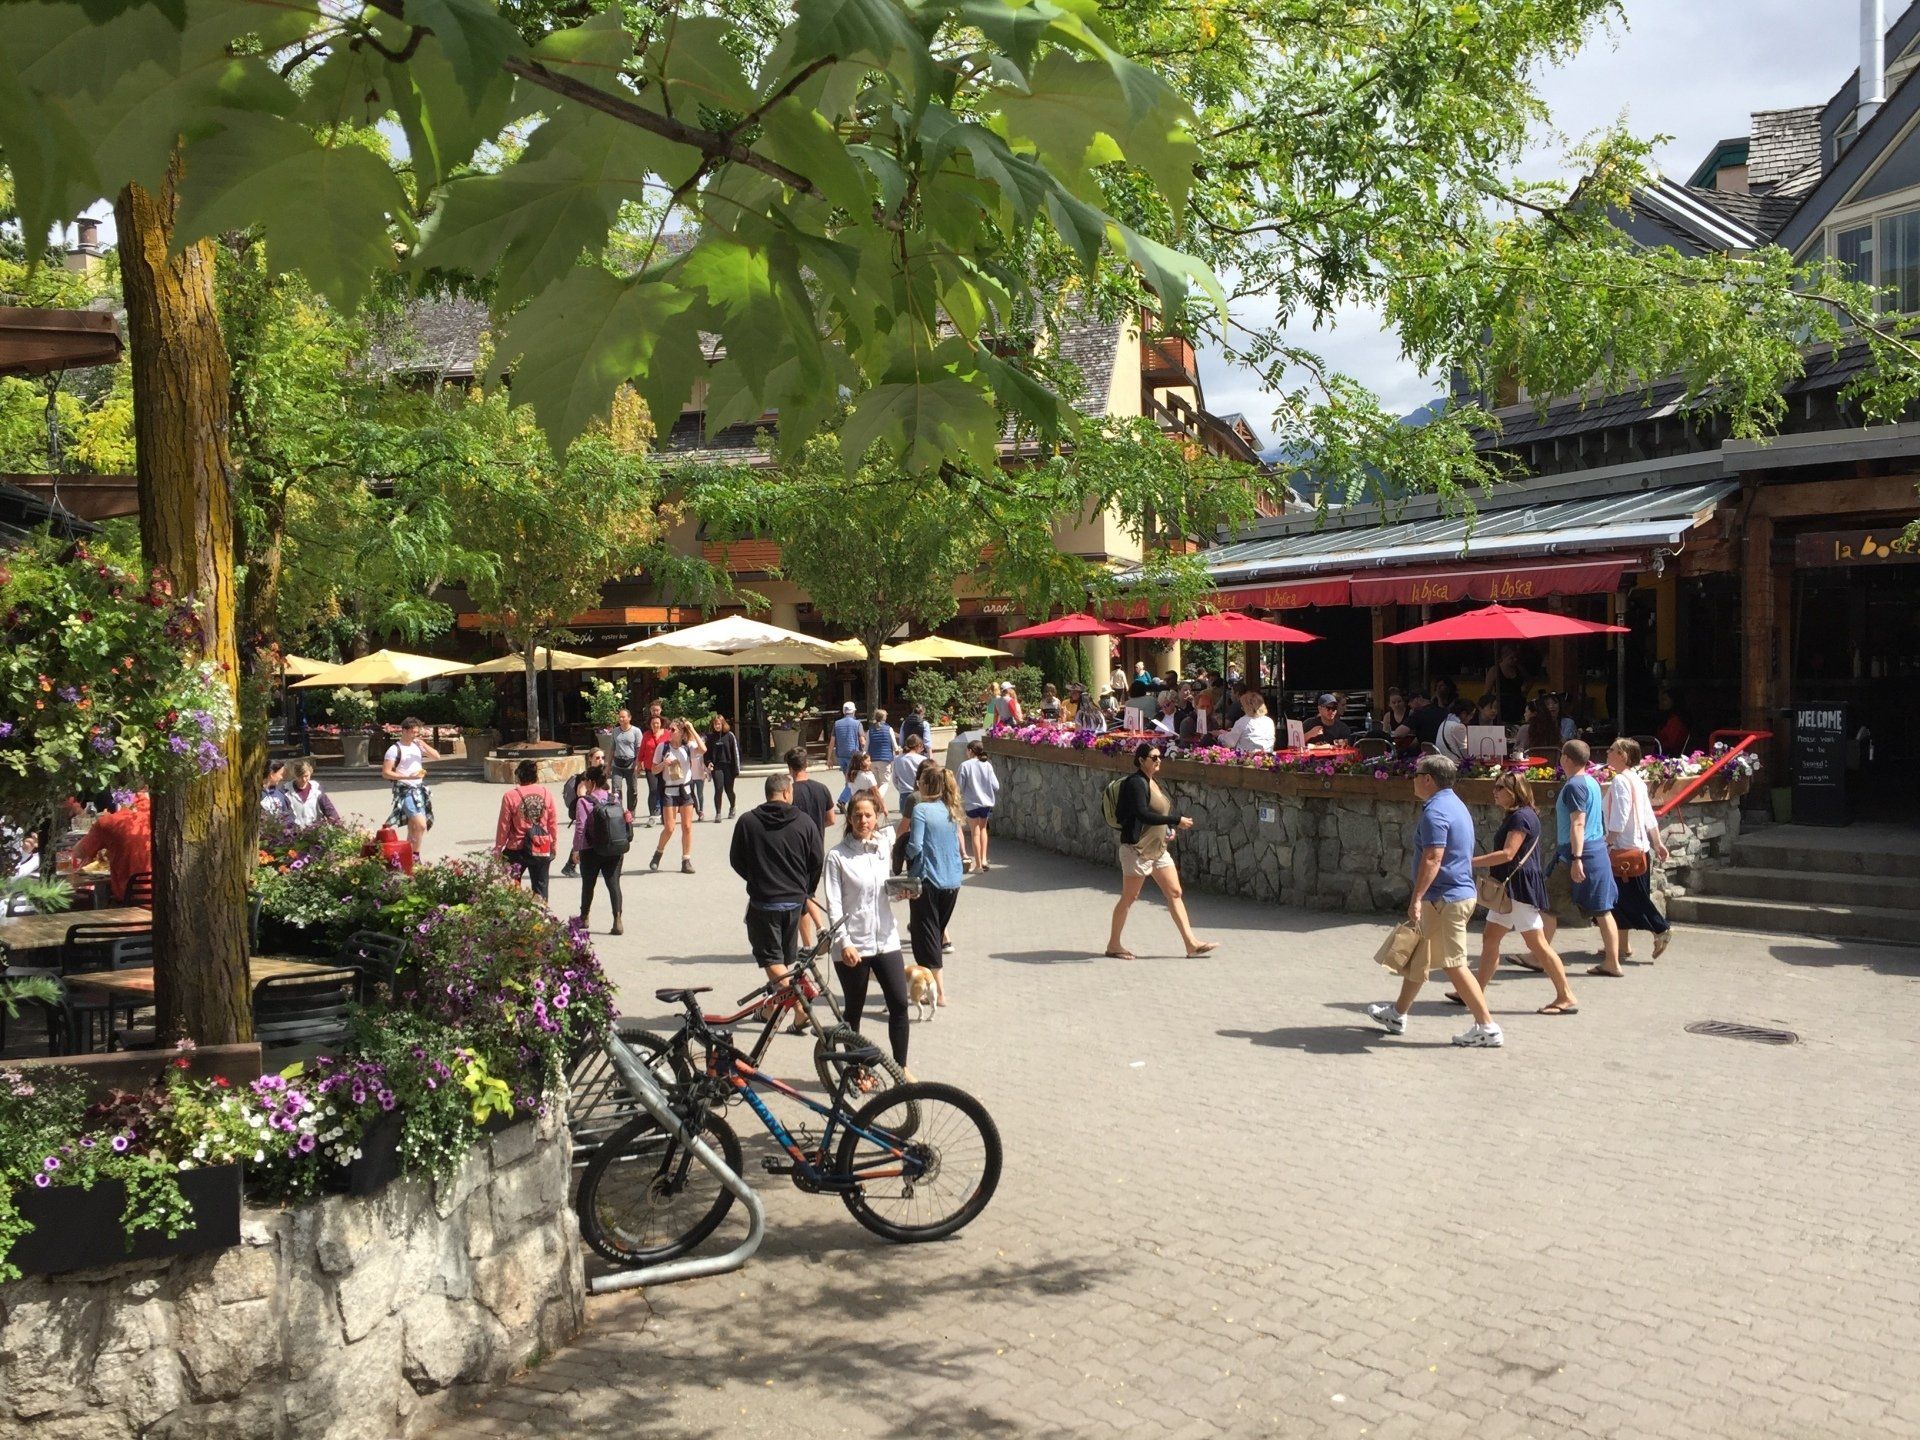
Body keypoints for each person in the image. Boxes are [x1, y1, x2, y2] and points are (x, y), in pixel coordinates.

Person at [1365, 754, 1504, 1047]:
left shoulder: (1435, 812)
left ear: (1428, 779)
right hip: (1453, 895)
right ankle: (1397, 1013)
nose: (1413, 779)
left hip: (1445, 898)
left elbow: (1433, 857)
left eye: (1416, 774)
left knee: (1453, 963)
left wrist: (1416, 897)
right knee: (1421, 956)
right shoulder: (1455, 804)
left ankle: (1487, 1027)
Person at [1458, 773, 1578, 1014]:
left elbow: (1508, 854)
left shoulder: (1521, 817)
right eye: (1495, 786)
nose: (1495, 791)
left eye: (1500, 787)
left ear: (1515, 791)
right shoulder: (1518, 815)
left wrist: (1469, 861)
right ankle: (1475, 992)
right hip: (1508, 889)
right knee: (1490, 938)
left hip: (1519, 888)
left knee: (1538, 944)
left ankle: (1566, 996)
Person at [1104, 742, 1217, 960]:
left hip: (1158, 849)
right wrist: (1176, 820)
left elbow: (1157, 815)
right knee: (1129, 897)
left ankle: (1191, 943)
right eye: (1153, 757)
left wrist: (1168, 828)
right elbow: (1142, 814)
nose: (1158, 761)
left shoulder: (1153, 782)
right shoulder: (1135, 783)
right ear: (1141, 760)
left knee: (1175, 892)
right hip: (1137, 849)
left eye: (1159, 757)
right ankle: (1114, 945)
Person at [824, 792, 912, 1069]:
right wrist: (844, 942)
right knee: (854, 1010)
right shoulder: (838, 856)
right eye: (858, 815)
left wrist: (903, 893)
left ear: (876, 817)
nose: (864, 820)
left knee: (899, 1003)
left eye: (869, 815)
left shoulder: (883, 847)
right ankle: (855, 1070)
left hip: (886, 939)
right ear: (849, 819)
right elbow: (834, 905)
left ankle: (901, 1069)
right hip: (854, 944)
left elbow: (886, 890)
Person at [730, 772, 825, 985]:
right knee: (781, 959)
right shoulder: (804, 822)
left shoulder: (748, 821)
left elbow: (736, 859)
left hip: (764, 901)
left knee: (771, 958)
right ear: (786, 792)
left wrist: (756, 878)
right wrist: (806, 889)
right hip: (794, 902)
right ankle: (773, 1007)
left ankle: (801, 1003)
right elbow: (817, 860)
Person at [1547, 739, 1623, 978]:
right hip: (1597, 850)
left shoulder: (1573, 786)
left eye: (1562, 756)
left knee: (1547, 904)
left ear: (1566, 759)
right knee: (1603, 910)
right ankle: (1612, 961)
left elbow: (1578, 823)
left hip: (1577, 853)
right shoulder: (1592, 781)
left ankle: (1538, 956)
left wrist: (1576, 858)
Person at [1605, 737, 1673, 960]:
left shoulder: (1621, 781)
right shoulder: (1636, 780)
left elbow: (1620, 817)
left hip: (1624, 850)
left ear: (1623, 756)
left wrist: (1608, 842)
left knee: (1633, 899)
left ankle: (1660, 928)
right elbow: (1648, 816)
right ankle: (1621, 946)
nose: (1608, 752)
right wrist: (1657, 843)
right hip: (1639, 849)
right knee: (1620, 900)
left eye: (1613, 750)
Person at [904, 763, 965, 1006]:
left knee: (926, 937)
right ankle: (929, 986)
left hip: (928, 880)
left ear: (926, 784)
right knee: (935, 932)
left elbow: (916, 845)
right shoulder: (950, 809)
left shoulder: (921, 810)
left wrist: (903, 851)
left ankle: (938, 992)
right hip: (952, 881)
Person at [71, 776, 152, 905]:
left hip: (129, 903)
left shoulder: (109, 822)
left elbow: (78, 853)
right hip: (167, 901)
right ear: (146, 788)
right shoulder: (162, 816)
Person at [574, 762, 630, 934]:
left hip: (591, 849)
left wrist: (576, 850)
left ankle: (584, 918)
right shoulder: (615, 798)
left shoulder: (584, 801)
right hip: (614, 847)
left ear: (590, 782)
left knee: (588, 884)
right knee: (613, 884)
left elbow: (581, 828)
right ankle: (617, 919)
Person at [494, 758, 559, 900]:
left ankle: (517, 917)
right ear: (535, 776)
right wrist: (553, 845)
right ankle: (541, 919)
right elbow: (552, 823)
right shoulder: (546, 793)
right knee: (540, 889)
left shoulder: (510, 796)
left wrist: (498, 848)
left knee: (511, 888)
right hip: (540, 846)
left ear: (519, 775)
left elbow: (504, 825)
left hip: (516, 847)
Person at [647, 717, 703, 873]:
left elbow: (703, 749)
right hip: (669, 791)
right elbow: (653, 769)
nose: (669, 732)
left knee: (687, 826)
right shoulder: (662, 748)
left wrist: (691, 728)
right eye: (669, 729)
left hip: (685, 790)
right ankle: (658, 853)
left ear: (681, 732)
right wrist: (663, 764)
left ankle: (686, 860)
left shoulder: (688, 747)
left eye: (673, 730)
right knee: (670, 828)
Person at [381, 717, 440, 861]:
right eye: (413, 732)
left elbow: (437, 757)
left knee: (413, 827)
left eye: (417, 732)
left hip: (419, 788)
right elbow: (386, 772)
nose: (415, 735)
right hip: (405, 790)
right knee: (420, 825)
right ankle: (415, 856)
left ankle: (407, 857)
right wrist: (408, 777)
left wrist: (424, 745)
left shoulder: (417, 745)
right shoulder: (394, 749)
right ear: (405, 731)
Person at [562, 746, 606, 879]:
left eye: (602, 758)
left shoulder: (600, 774)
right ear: (590, 759)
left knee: (589, 837)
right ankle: (570, 865)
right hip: (587, 811)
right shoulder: (586, 775)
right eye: (597, 758)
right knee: (585, 837)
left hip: (595, 810)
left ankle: (571, 866)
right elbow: (580, 793)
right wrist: (589, 804)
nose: (600, 760)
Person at [957, 739, 1000, 871]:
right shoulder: (987, 765)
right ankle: (984, 859)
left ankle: (978, 866)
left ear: (970, 751)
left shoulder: (965, 765)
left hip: (972, 803)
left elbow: (959, 787)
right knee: (983, 830)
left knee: (975, 832)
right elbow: (996, 786)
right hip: (986, 803)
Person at [280, 759, 341, 827]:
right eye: (300, 777)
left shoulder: (316, 789)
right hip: (295, 833)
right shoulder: (286, 790)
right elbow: (284, 814)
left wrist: (338, 825)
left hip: (316, 832)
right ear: (295, 775)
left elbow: (329, 809)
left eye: (306, 776)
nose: (304, 780)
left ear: (310, 773)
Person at [704, 714, 741, 822]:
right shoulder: (710, 737)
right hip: (717, 767)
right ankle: (718, 813)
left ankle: (733, 806)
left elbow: (735, 752)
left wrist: (736, 769)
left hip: (729, 766)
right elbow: (707, 753)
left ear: (723, 724)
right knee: (718, 789)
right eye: (715, 724)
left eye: (719, 724)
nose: (717, 726)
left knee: (729, 790)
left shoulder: (729, 735)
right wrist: (708, 763)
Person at [636, 713, 668, 827]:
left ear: (661, 724)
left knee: (664, 791)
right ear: (650, 724)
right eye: (653, 723)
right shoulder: (646, 735)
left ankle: (665, 816)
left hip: (665, 767)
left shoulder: (667, 734)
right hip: (650, 767)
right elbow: (642, 751)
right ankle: (652, 816)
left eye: (657, 723)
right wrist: (639, 764)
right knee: (653, 790)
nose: (655, 725)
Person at [1484, 644, 1528, 725]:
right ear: (1504, 657)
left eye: (1516, 657)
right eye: (1511, 658)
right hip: (1501, 704)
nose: (1515, 660)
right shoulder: (1495, 670)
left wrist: (1524, 691)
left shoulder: (1519, 669)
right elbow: (1487, 692)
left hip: (1517, 703)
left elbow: (1528, 680)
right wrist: (1488, 707)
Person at [608, 707, 642, 813]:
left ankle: (631, 812)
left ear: (629, 718)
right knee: (616, 789)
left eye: (623, 717)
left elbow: (639, 749)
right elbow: (612, 748)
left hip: (631, 764)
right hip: (617, 764)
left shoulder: (636, 731)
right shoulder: (615, 731)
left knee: (632, 790)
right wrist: (608, 765)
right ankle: (618, 812)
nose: (621, 719)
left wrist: (637, 764)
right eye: (620, 717)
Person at [1223, 689, 1276, 753]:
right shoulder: (1269, 721)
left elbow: (1229, 743)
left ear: (1247, 707)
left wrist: (1220, 736)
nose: (1242, 709)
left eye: (1243, 707)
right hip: (1267, 758)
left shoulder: (1242, 721)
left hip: (1247, 759)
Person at [840, 751, 887, 818]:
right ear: (862, 762)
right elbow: (876, 792)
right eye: (868, 761)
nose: (870, 763)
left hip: (855, 802)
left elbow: (850, 788)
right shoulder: (868, 776)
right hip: (867, 803)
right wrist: (883, 806)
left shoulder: (851, 775)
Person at [829, 700, 866, 774]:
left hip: (841, 755)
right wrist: (866, 754)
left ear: (844, 711)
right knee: (853, 780)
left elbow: (832, 743)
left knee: (847, 779)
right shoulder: (858, 723)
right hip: (854, 754)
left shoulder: (837, 724)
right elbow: (862, 742)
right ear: (854, 711)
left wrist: (829, 758)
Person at [890, 732, 930, 799]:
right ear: (919, 745)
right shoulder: (923, 759)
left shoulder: (897, 759)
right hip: (920, 792)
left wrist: (900, 790)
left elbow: (895, 779)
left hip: (904, 793)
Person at [1656, 689, 1690, 756]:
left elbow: (1671, 745)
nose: (1661, 702)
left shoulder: (1676, 721)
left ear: (1674, 702)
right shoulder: (1667, 718)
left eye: (1664, 700)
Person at [867, 708, 898, 774]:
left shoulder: (870, 730)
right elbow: (895, 746)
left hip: (873, 759)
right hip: (885, 759)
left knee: (876, 782)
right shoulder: (889, 729)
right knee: (885, 782)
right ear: (884, 718)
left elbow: (866, 746)